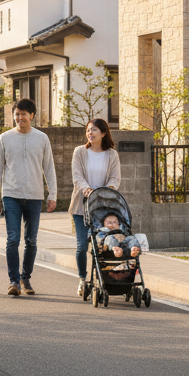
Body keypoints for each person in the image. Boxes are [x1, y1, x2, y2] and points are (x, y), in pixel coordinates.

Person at [0, 98, 56, 297]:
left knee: (31, 240)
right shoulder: (4, 138)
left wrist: (52, 194)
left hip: (35, 196)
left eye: (24, 114)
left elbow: (49, 168)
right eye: (17, 114)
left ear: (32, 116)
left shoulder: (42, 138)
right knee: (12, 239)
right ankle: (13, 281)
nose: (20, 118)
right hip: (11, 194)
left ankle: (25, 278)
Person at [70, 118, 121, 296]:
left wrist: (106, 191)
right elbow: (77, 176)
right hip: (81, 206)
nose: (90, 133)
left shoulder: (112, 155)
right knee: (82, 246)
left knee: (103, 245)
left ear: (103, 133)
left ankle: (103, 277)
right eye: (88, 130)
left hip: (103, 208)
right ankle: (82, 279)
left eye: (94, 130)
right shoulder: (79, 152)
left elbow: (115, 178)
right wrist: (88, 190)